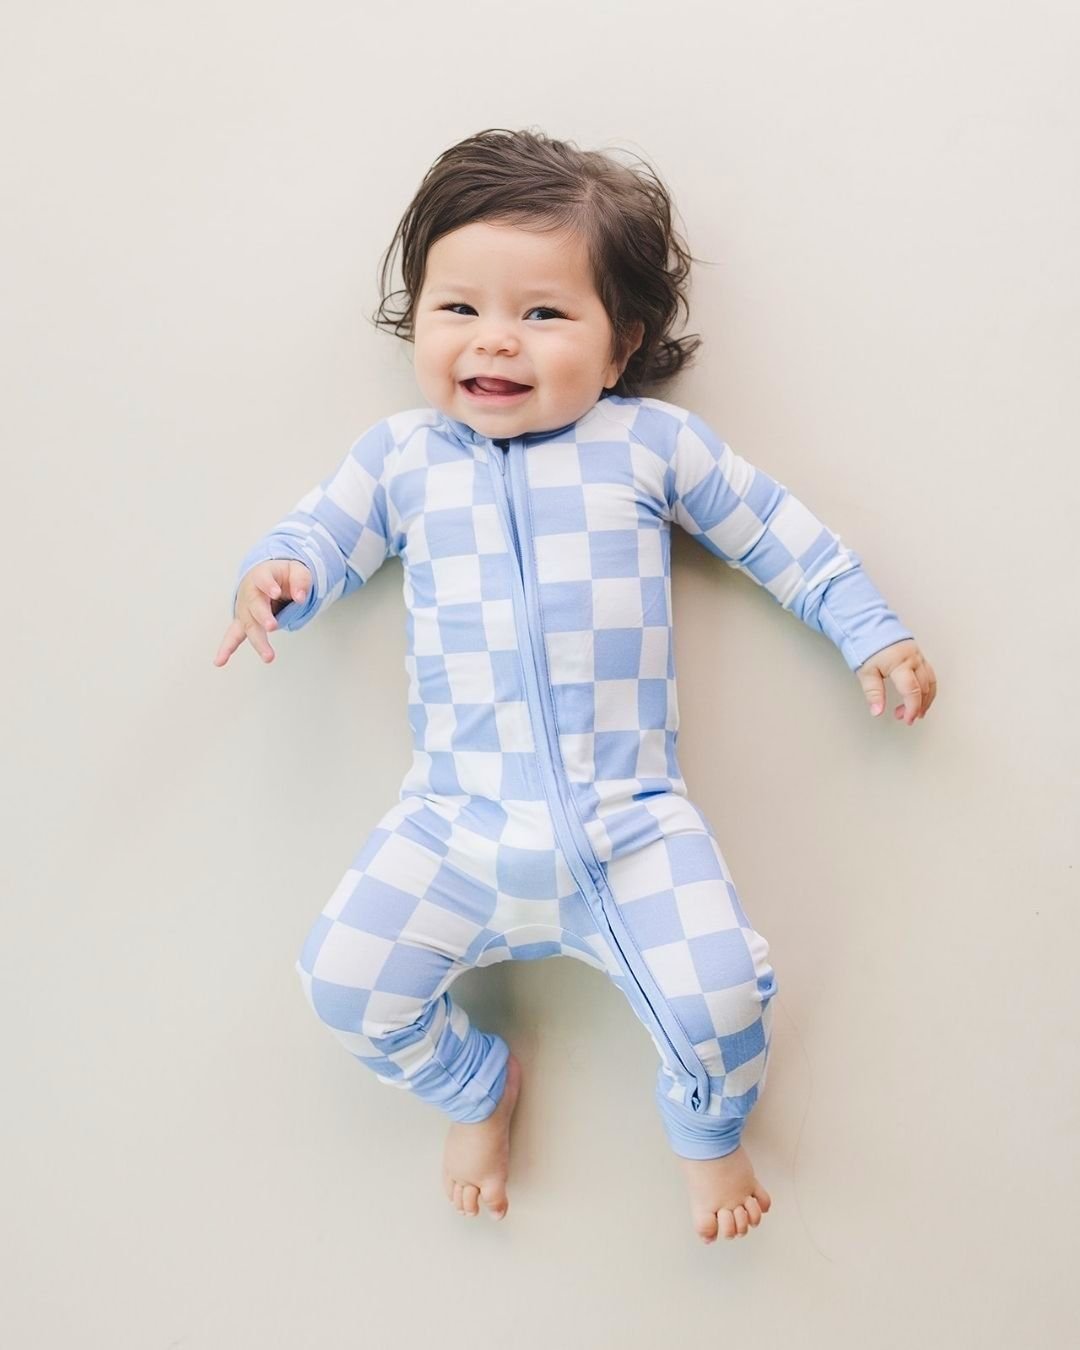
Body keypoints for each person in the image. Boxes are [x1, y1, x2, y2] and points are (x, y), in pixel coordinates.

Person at [212, 127, 937, 1243]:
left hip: (630, 823)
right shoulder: (402, 459)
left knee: (726, 1002)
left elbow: (780, 536)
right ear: (419, 321)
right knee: (344, 984)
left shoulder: (648, 445)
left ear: (619, 344)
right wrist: (280, 576)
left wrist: (868, 629)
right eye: (458, 309)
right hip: (455, 820)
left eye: (544, 314)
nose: (495, 338)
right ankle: (473, 1084)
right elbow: (326, 535)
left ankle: (706, 1128)